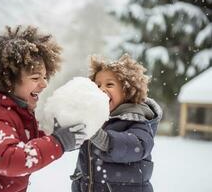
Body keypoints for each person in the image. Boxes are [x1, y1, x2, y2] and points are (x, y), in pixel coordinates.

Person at [0, 25, 86, 192]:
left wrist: (53, 133)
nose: (44, 84)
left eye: (45, 77)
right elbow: (7, 159)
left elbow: (20, 140)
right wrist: (57, 142)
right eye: (35, 77)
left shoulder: (12, 110)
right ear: (8, 80)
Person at [70, 54, 163, 192]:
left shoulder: (136, 118)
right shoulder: (95, 119)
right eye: (98, 85)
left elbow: (139, 145)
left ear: (127, 91)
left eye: (109, 84)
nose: (101, 89)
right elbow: (74, 144)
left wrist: (107, 141)